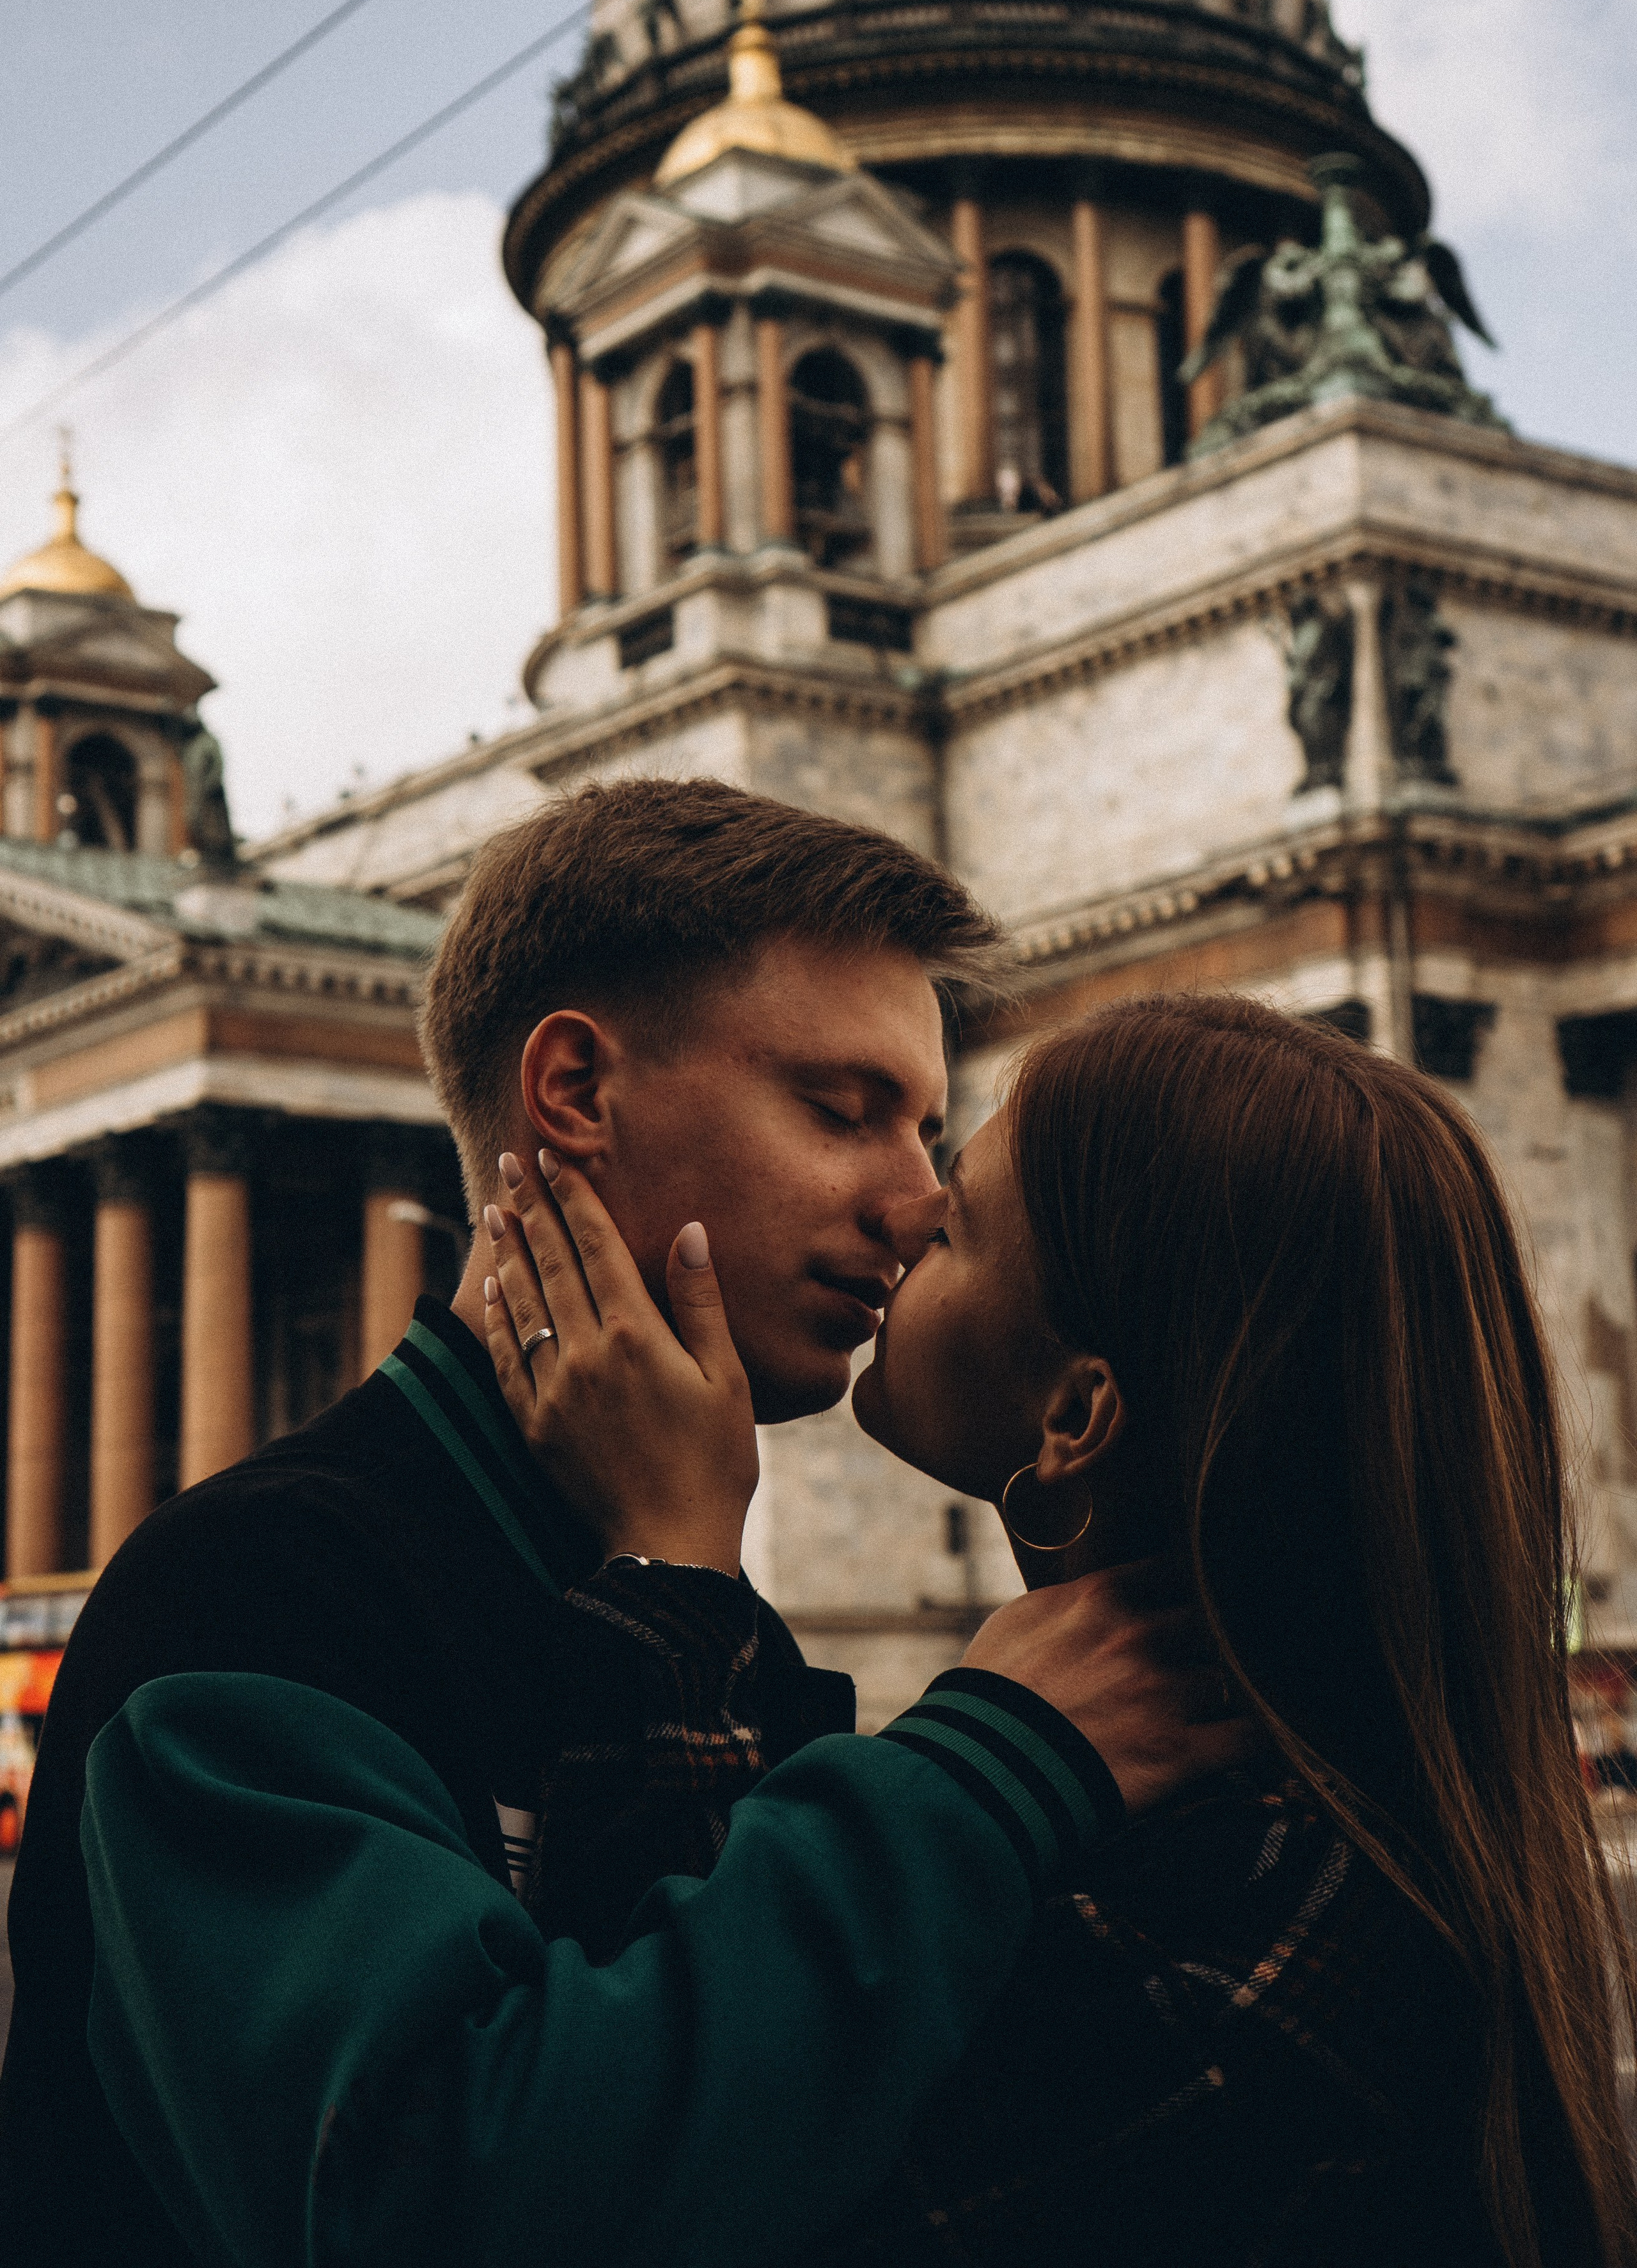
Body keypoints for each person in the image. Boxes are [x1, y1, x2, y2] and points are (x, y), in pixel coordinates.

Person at [0, 780, 1242, 2266]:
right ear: (576, 1094)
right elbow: (437, 2201)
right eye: (840, 1112)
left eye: (926, 1127)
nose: (918, 1202)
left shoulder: (699, 1608)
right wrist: (981, 1774)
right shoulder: (255, 1598)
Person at [480, 988, 1637, 2267]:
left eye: (962, 1218)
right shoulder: (1286, 1813)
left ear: (1075, 1418)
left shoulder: (1209, 1941)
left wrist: (671, 1569)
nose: (907, 1207)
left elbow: (645, 2165)